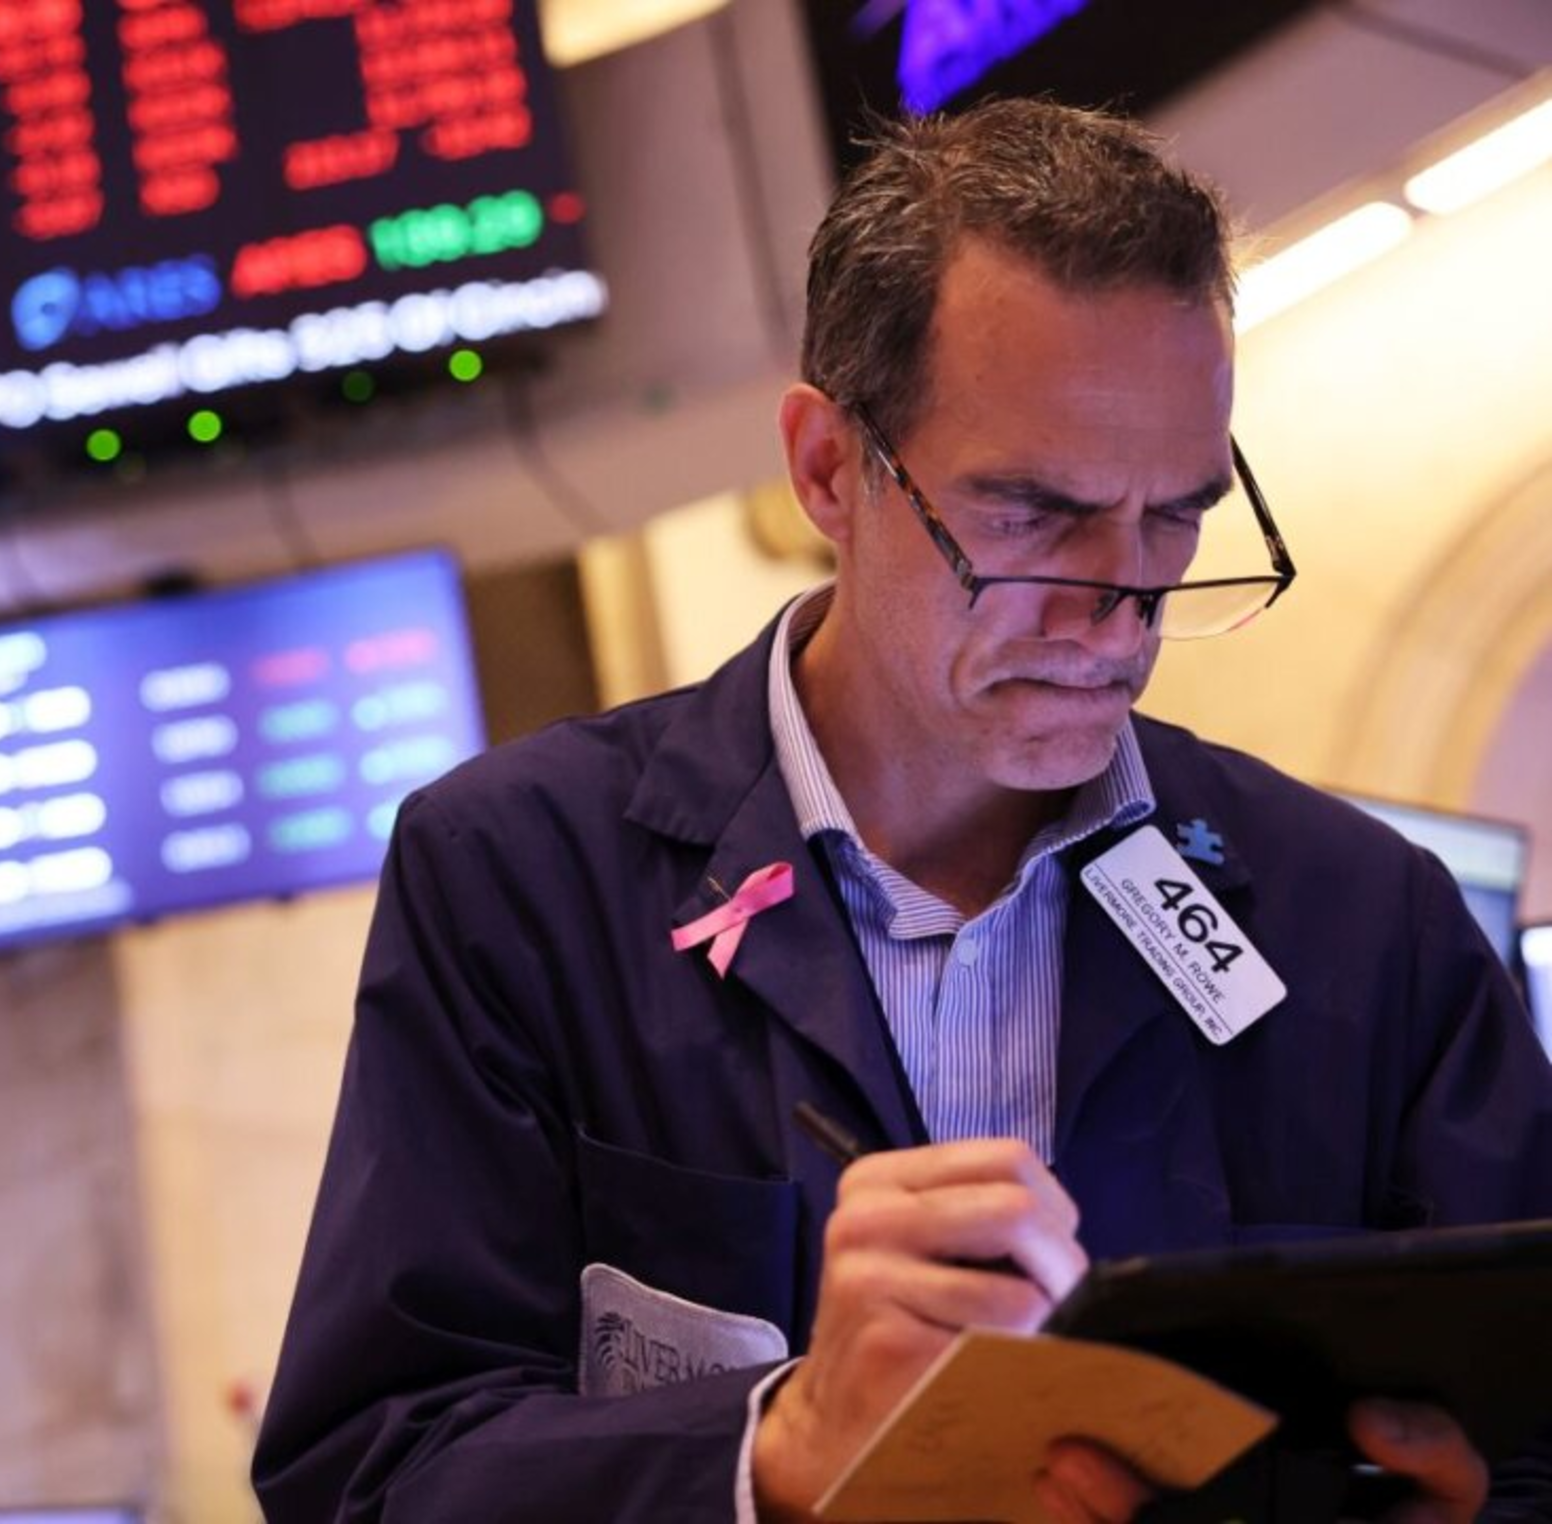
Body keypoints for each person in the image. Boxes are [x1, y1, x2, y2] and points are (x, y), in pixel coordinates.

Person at [251, 100, 1552, 1523]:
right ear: (828, 467)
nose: (1117, 617)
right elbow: (371, 1472)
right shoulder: (520, 879)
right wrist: (775, 1451)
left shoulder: (1365, 921)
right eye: (1031, 515)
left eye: (1174, 516)